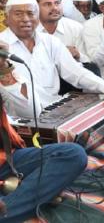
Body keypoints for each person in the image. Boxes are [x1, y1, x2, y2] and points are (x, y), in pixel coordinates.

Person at [0, 0, 104, 118]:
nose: (26, 19)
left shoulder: (50, 41)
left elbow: (75, 71)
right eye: (18, 14)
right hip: (16, 116)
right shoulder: (1, 45)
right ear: (7, 17)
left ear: (37, 16)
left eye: (30, 13)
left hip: (54, 108)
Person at [0, 94, 87, 223]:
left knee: (73, 153)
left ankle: (11, 208)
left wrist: (13, 82)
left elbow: (29, 111)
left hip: (7, 160)